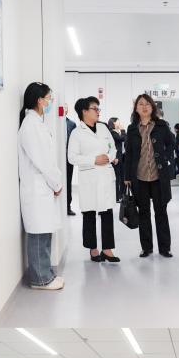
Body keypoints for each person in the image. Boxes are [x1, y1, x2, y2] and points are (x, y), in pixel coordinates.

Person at [18, 82, 64, 291]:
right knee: (38, 234)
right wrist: (56, 182)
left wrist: (54, 182)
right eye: (48, 98)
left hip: (43, 187)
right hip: (38, 188)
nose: (51, 102)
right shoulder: (31, 126)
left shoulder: (37, 123)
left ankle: (46, 274)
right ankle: (40, 279)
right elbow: (43, 161)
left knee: (45, 232)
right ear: (39, 100)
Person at [123, 94, 176, 258]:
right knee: (143, 212)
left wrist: (166, 158)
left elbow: (171, 144)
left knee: (161, 212)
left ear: (152, 107)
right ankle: (146, 247)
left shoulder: (161, 125)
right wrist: (127, 176)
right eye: (141, 104)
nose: (144, 107)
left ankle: (165, 248)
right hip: (139, 177)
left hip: (158, 177)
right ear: (136, 108)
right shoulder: (132, 128)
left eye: (147, 104)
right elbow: (128, 154)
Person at [68, 96, 119, 263]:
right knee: (89, 213)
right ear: (84, 111)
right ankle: (93, 248)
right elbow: (71, 157)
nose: (98, 111)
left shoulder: (103, 128)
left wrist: (109, 157)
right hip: (89, 177)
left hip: (105, 175)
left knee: (107, 212)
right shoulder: (76, 133)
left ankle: (108, 250)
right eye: (94, 108)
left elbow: (112, 147)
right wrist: (93, 160)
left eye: (98, 108)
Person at [108, 117, 125, 203]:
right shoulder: (112, 132)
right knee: (117, 178)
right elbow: (122, 139)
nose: (120, 123)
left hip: (120, 158)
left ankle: (121, 196)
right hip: (116, 158)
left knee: (122, 178)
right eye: (118, 122)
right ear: (114, 123)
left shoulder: (116, 132)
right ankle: (117, 197)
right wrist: (123, 130)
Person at [65, 114, 77, 216]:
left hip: (68, 159)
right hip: (56, 158)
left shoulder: (72, 124)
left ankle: (68, 206)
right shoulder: (53, 121)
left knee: (68, 182)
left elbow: (74, 142)